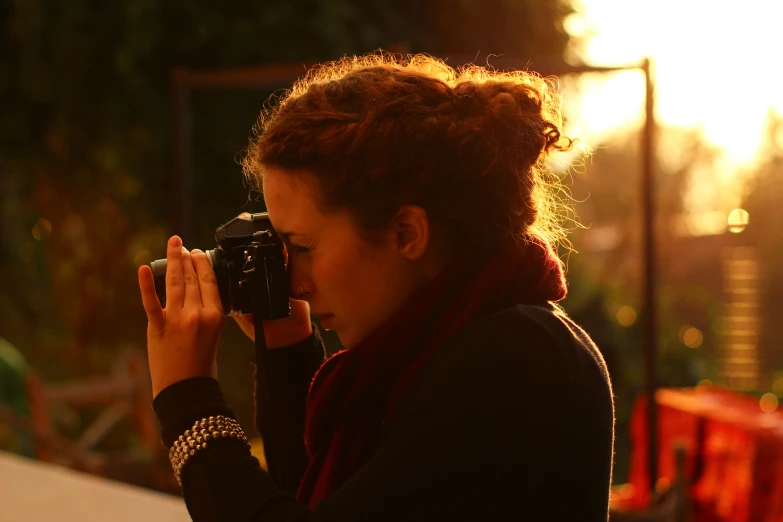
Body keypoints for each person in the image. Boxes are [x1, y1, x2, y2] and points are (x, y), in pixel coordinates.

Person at [138, 53, 615, 521]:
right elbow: (314, 499)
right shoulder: (439, 344)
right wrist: (287, 353)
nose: (294, 282)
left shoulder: (516, 361)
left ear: (406, 233)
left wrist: (189, 404)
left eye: (301, 246)